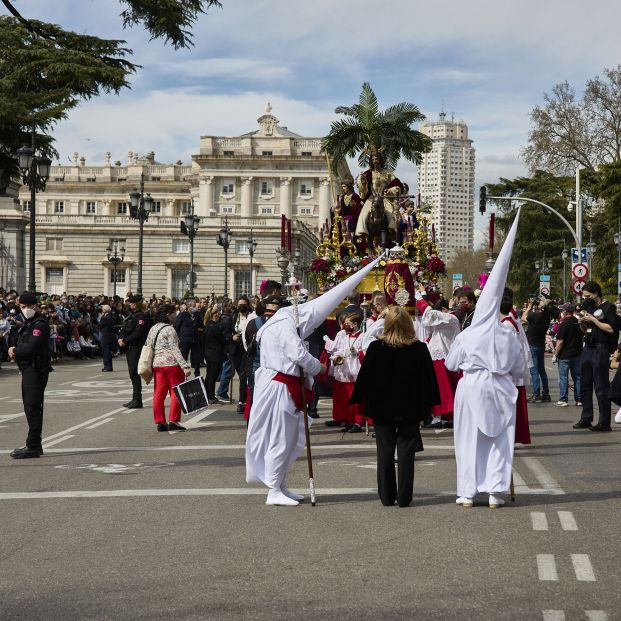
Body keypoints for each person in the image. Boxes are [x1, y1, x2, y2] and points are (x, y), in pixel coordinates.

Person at [245, 254, 382, 506]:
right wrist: (319, 367)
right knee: (281, 437)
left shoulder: (280, 323)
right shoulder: (283, 325)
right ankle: (273, 488)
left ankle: (280, 483)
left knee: (289, 437)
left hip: (284, 385)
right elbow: (297, 354)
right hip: (279, 387)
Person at [445, 210, 525, 508]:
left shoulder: (467, 335)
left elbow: (452, 364)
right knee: (499, 442)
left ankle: (467, 492)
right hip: (500, 389)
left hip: (472, 386)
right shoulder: (507, 333)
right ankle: (495, 492)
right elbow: (519, 369)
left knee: (468, 441)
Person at [351, 306, 440, 507]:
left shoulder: (376, 348)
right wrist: (428, 406)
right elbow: (429, 380)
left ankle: (386, 495)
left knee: (384, 450)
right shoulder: (418, 348)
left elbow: (364, 378)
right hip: (410, 407)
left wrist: (361, 402)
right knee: (406, 452)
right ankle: (404, 496)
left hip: (382, 407)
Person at [8, 292, 51, 459]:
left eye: (29, 306)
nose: (26, 310)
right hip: (28, 369)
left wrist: (14, 351)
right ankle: (36, 444)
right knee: (30, 405)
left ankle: (32, 445)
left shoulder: (39, 325)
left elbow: (31, 348)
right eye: (22, 307)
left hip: (36, 369)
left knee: (32, 406)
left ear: (35, 306)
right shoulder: (29, 324)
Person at [573, 281, 617, 432]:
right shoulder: (590, 308)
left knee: (601, 386)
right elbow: (587, 331)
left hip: (601, 348)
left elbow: (610, 329)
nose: (586, 298)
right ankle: (586, 418)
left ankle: (604, 422)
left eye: (588, 296)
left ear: (596, 293)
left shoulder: (608, 307)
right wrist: (582, 323)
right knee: (585, 385)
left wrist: (594, 320)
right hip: (588, 347)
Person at [415, 285, 461, 428]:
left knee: (442, 388)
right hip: (439, 356)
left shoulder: (451, 318)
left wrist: (419, 297)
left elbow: (430, 315)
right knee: (443, 387)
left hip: (442, 357)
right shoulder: (445, 320)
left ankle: (438, 418)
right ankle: (447, 417)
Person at [146, 304, 191, 432]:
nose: (175, 316)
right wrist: (185, 366)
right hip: (171, 364)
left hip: (157, 364)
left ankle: (160, 421)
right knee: (176, 392)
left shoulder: (153, 328)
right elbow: (175, 349)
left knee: (159, 394)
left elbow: (149, 346)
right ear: (168, 315)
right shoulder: (170, 329)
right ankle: (173, 420)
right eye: (173, 314)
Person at [323, 313, 366, 432]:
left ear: (356, 324)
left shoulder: (363, 336)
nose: (345, 326)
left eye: (348, 323)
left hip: (355, 371)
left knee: (356, 400)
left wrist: (356, 352)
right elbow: (340, 350)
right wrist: (336, 357)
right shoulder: (346, 337)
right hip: (345, 371)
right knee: (347, 400)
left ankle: (357, 422)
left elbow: (364, 352)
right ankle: (350, 421)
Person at [355, 149, 404, 244]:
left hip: (384, 197)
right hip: (372, 198)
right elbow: (362, 188)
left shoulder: (387, 173)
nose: (375, 161)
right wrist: (362, 181)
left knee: (391, 213)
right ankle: (362, 233)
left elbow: (399, 186)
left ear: (380, 160)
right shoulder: (368, 173)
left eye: (376, 159)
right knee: (364, 213)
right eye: (373, 159)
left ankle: (391, 231)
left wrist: (390, 191)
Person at [522, 297, 558, 403]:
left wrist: (529, 306)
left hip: (533, 345)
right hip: (541, 345)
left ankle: (536, 394)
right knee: (542, 370)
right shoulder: (547, 318)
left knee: (534, 371)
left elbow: (524, 318)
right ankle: (546, 393)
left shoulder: (535, 316)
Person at [119, 294, 150, 409]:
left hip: (136, 347)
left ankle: (138, 400)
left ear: (136, 304)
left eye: (131, 302)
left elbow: (138, 333)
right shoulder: (131, 315)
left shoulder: (141, 316)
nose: (129, 304)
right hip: (130, 347)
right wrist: (120, 338)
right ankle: (135, 398)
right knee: (132, 373)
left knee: (135, 373)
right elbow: (124, 328)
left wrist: (125, 341)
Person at [553, 303, 583, 407]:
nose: (561, 312)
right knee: (578, 377)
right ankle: (579, 399)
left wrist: (555, 354)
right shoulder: (578, 322)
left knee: (563, 377)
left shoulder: (564, 324)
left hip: (565, 355)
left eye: (562, 311)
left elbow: (560, 341)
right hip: (577, 354)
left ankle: (563, 399)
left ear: (565, 312)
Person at [203, 306, 227, 403]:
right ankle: (211, 397)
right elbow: (222, 340)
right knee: (213, 376)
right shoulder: (215, 327)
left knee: (209, 376)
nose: (219, 315)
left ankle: (207, 395)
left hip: (208, 354)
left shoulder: (207, 326)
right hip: (215, 354)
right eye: (218, 313)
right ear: (215, 315)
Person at [99, 304, 116, 371]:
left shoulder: (105, 318)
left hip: (105, 336)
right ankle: (109, 366)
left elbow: (99, 325)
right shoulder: (111, 316)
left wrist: (102, 317)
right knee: (108, 352)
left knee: (105, 352)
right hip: (110, 336)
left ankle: (107, 366)